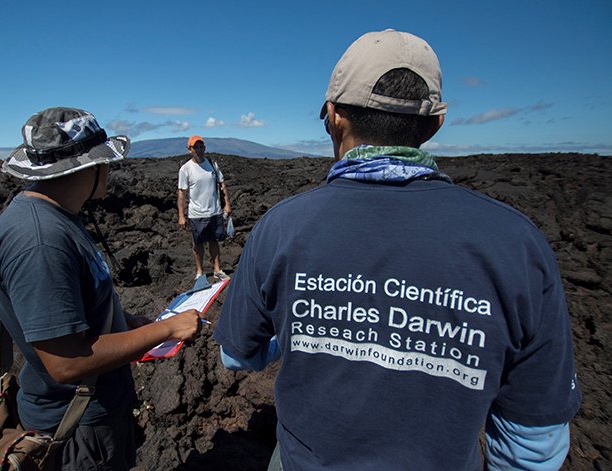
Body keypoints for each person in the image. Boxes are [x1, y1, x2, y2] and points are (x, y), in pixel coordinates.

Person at [213, 29, 581, 470]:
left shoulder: (281, 228)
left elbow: (236, 354)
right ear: (436, 122)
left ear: (334, 116)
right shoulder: (518, 245)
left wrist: (301, 330)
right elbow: (533, 446)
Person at [0, 107, 202, 470]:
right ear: (88, 167)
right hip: (77, 430)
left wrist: (128, 322)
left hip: (86, 417)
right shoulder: (41, 241)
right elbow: (66, 362)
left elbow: (75, 312)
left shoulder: (54, 215)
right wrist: (165, 329)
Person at [178, 135, 232, 280]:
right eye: (196, 147)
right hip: (196, 214)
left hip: (214, 211)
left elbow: (222, 184)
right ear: (189, 149)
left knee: (214, 241)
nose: (199, 150)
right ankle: (200, 272)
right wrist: (181, 216)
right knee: (198, 243)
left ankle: (217, 270)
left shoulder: (212, 164)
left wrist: (227, 204)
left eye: (201, 147)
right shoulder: (186, 169)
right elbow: (182, 194)